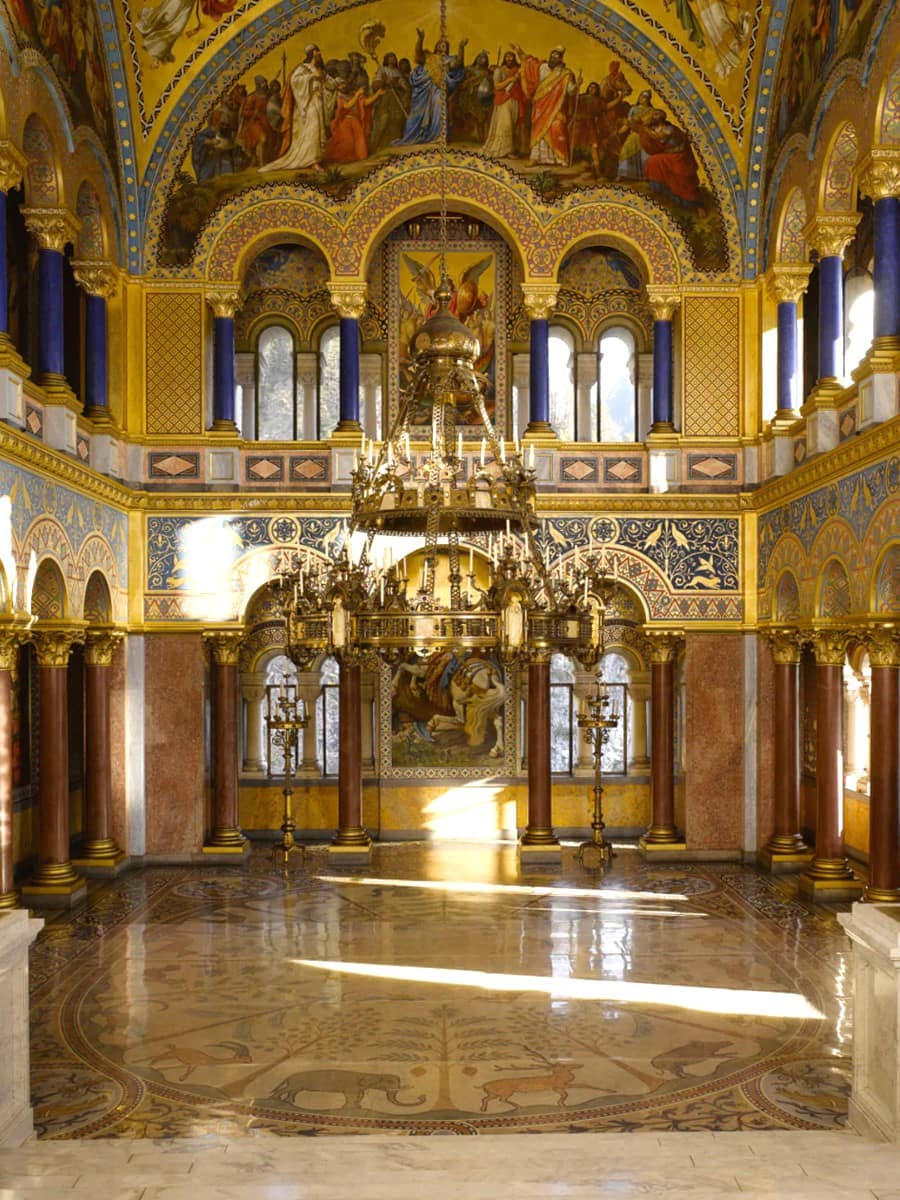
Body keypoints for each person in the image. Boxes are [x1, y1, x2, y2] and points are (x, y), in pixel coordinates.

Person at [261, 44, 340, 173]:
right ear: (313, 53)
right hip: (307, 104)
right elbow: (294, 81)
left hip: (318, 103)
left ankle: (316, 158)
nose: (320, 54)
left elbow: (329, 84)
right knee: (312, 130)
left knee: (318, 131)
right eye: (317, 51)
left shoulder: (319, 69)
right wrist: (312, 77)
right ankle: (313, 161)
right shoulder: (303, 68)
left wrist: (337, 82)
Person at [394, 29, 467, 146]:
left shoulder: (449, 59)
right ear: (436, 46)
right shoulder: (429, 56)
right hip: (423, 89)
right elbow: (418, 54)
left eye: (444, 45)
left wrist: (461, 48)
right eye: (440, 44)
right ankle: (414, 135)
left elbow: (458, 63)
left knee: (439, 106)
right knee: (417, 113)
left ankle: (439, 136)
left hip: (438, 88)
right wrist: (420, 38)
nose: (442, 46)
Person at [512, 44, 580, 166]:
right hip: (540, 106)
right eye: (552, 55)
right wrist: (519, 51)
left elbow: (570, 91)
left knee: (557, 126)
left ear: (561, 59)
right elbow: (528, 63)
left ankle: (560, 158)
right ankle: (535, 158)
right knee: (538, 130)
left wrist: (577, 85)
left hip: (556, 106)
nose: (553, 58)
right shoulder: (542, 67)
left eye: (556, 56)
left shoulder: (566, 74)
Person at [640, 110, 703, 208]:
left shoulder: (669, 128)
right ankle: (661, 191)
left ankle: (697, 205)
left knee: (683, 180)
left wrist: (645, 128)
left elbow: (658, 136)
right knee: (652, 161)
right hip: (670, 155)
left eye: (654, 119)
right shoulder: (657, 128)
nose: (652, 122)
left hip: (679, 157)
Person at [481, 50, 526, 158]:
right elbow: (497, 86)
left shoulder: (518, 70)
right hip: (503, 100)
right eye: (507, 57)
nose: (509, 59)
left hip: (515, 100)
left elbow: (525, 65)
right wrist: (510, 79)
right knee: (506, 125)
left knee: (513, 125)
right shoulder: (499, 71)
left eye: (511, 57)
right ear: (504, 59)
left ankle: (511, 150)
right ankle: (504, 150)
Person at [325, 80, 382, 163]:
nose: (343, 86)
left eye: (344, 83)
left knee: (362, 149)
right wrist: (357, 94)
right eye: (340, 85)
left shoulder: (353, 94)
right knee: (348, 142)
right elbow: (347, 106)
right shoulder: (339, 97)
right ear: (338, 88)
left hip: (356, 121)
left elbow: (366, 102)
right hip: (345, 122)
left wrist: (377, 94)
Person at [369, 52, 410, 152]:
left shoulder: (398, 71)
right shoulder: (382, 70)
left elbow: (404, 86)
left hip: (396, 99)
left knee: (397, 120)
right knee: (383, 120)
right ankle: (376, 146)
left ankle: (392, 145)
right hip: (385, 98)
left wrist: (396, 84)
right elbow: (375, 84)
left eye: (394, 57)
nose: (393, 59)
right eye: (390, 58)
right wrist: (383, 82)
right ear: (386, 60)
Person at [617, 89, 653, 180]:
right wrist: (619, 132)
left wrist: (635, 122)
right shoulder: (633, 109)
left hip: (644, 135)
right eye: (641, 96)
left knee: (645, 155)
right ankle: (622, 174)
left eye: (645, 97)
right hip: (633, 135)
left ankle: (645, 176)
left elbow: (646, 124)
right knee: (624, 151)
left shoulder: (651, 111)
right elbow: (628, 123)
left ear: (648, 100)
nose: (642, 98)